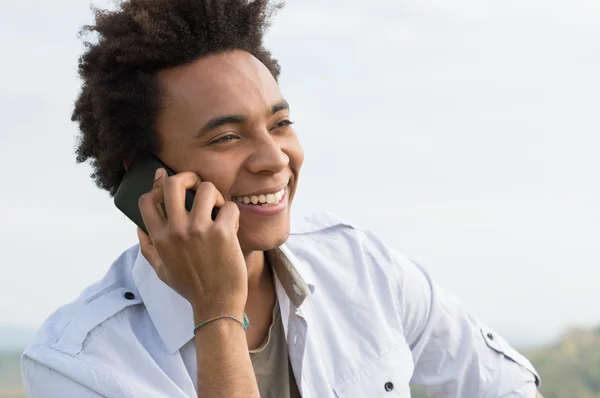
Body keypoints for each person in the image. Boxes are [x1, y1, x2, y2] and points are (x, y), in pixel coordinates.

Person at [21, 1, 544, 397]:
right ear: (146, 181)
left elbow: (507, 384)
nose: (275, 158)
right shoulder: (77, 363)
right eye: (226, 137)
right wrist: (217, 313)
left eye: (280, 124)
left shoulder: (362, 266)